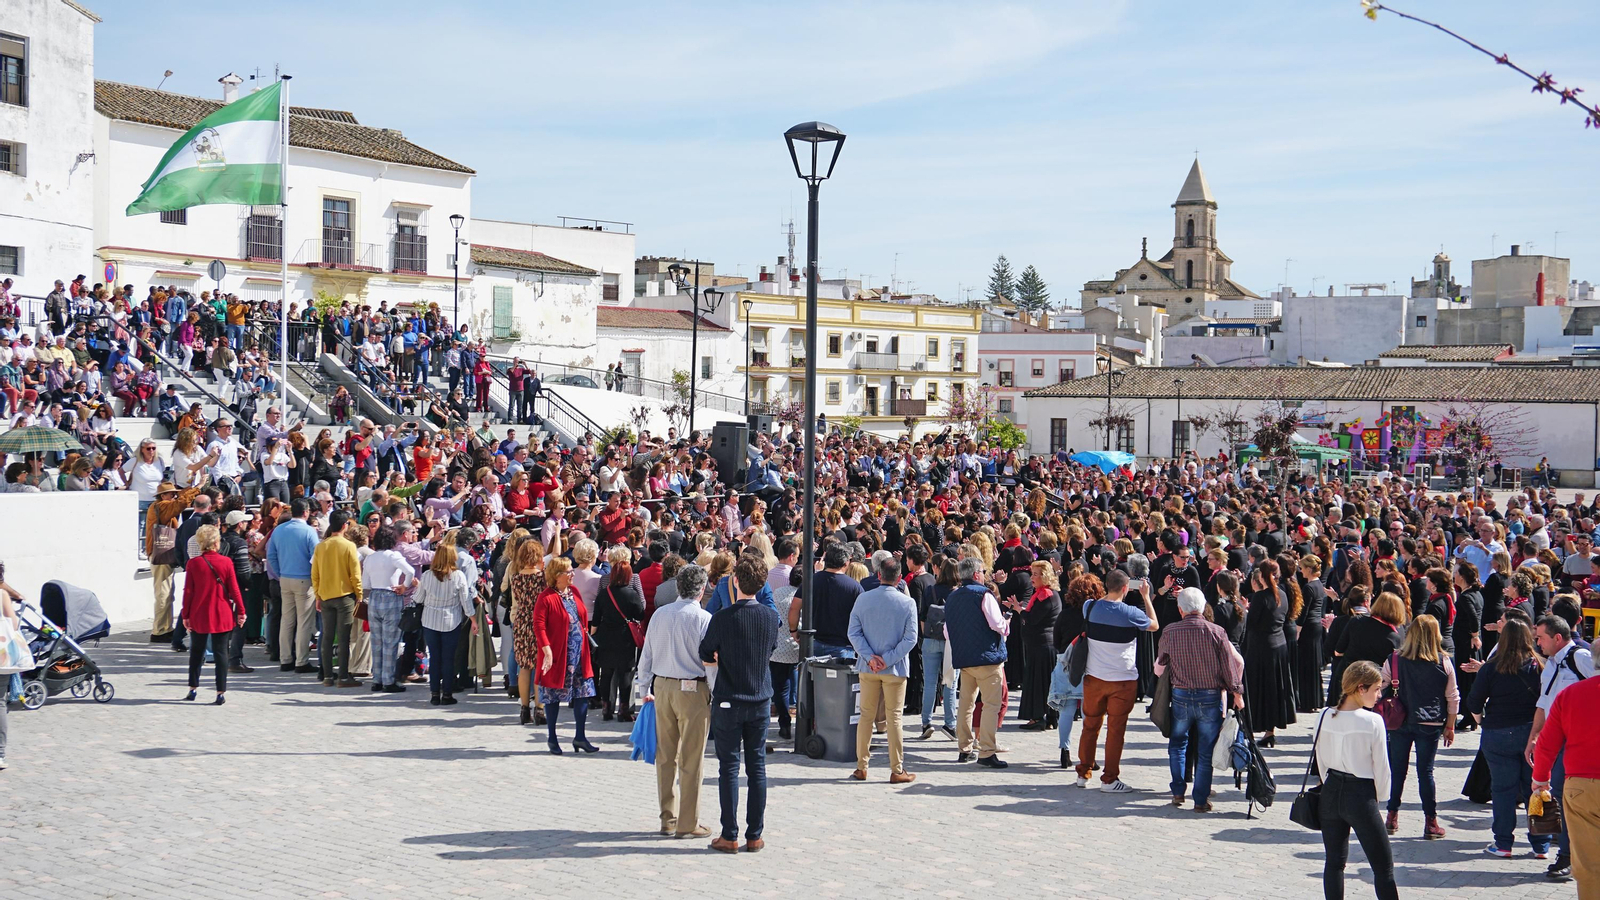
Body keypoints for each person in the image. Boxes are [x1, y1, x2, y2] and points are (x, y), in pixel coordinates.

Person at [699, 554, 781, 853]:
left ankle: (730, 833)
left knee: (729, 768)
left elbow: (706, 652)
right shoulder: (770, 617)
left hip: (729, 699)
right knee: (757, 767)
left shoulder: (722, 617)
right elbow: (769, 646)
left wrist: (719, 656)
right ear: (761, 585)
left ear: (735, 581)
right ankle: (754, 834)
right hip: (759, 697)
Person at [636, 563, 713, 839]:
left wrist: (643, 688)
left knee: (665, 757)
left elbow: (646, 654)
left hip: (662, 687)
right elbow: (710, 662)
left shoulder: (660, 615)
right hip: (692, 689)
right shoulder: (703, 618)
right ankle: (687, 822)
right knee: (692, 759)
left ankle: (668, 818)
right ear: (701, 589)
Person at [1466, 617, 1552, 860]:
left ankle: (1503, 843)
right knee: (1536, 788)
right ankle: (1541, 844)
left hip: (1498, 733)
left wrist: (1481, 721)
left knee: (1502, 790)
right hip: (1531, 733)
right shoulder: (1540, 666)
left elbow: (1473, 701)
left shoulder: (1492, 667)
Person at [1314, 660, 1399, 900]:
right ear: (1361, 689)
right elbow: (1382, 767)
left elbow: (1320, 761)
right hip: (1360, 795)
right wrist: (1380, 799)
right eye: (1376, 689)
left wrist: (1327, 784)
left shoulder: (1324, 715)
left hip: (1330, 791)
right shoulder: (1372, 721)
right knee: (1383, 867)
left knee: (1334, 863)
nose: (1379, 694)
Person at [1156, 586, 1244, 812]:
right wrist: (1237, 692)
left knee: (1177, 744)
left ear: (1180, 609)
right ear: (1203, 607)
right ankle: (1200, 799)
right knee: (1205, 750)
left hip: (1181, 694)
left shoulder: (1171, 631)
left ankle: (1177, 791)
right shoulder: (1216, 631)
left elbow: (1162, 661)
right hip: (1210, 696)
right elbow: (1229, 665)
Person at [1077, 569, 1157, 791]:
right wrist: (1145, 597)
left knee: (1090, 725)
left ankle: (1083, 773)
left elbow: (1100, 603)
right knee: (1116, 730)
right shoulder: (1130, 612)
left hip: (1093, 678)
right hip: (1122, 680)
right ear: (1125, 588)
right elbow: (1154, 624)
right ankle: (1109, 779)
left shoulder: (1089, 606)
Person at [1529, 613, 1595, 880]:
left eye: (1541, 638)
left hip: (1579, 742)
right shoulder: (1551, 664)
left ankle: (1571, 856)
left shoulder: (1580, 657)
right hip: (1556, 740)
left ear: (1557, 638)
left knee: (1571, 799)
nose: (1537, 643)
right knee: (1561, 798)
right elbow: (1544, 703)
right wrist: (1534, 736)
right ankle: (1567, 854)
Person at [1382, 614, 1458, 840]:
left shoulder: (1395, 659)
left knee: (1398, 769)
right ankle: (1430, 822)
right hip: (1430, 721)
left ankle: (1392, 815)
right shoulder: (1443, 661)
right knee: (1426, 772)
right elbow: (1452, 696)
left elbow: (1381, 685)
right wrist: (1450, 725)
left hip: (1400, 720)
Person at [846, 552, 919, 784]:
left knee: (865, 716)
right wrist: (887, 659)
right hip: (894, 669)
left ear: (878, 575)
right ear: (899, 579)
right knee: (894, 718)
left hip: (868, 668)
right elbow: (910, 639)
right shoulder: (907, 603)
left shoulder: (863, 599)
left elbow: (853, 633)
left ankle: (861, 766)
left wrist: (870, 657)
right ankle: (896, 769)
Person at [534, 556, 599, 753]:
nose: (572, 574)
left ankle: (580, 737)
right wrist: (546, 650)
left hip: (579, 653)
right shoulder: (546, 597)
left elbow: (582, 617)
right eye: (568, 571)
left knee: (583, 694)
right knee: (553, 696)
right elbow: (539, 625)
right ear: (557, 576)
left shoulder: (574, 592)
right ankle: (552, 738)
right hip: (558, 654)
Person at [180, 524, 245, 706]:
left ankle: (193, 688)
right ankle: (220, 692)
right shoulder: (226, 562)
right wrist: (241, 611)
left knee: (196, 652)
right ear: (216, 542)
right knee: (221, 653)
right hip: (221, 612)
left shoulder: (193, 563)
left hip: (199, 612)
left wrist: (186, 614)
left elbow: (188, 592)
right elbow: (234, 590)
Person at [1243, 558, 1296, 747]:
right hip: (1279, 645)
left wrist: (1246, 610)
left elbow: (1251, 625)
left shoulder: (1261, 597)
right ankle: (1269, 731)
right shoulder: (1282, 594)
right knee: (1274, 690)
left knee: (1260, 689)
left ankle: (1257, 727)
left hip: (1261, 648)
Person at [418, 537, 475, 707]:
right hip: (451, 620)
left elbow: (419, 598)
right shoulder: (458, 576)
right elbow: (466, 601)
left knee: (435, 657)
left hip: (430, 620)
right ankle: (447, 693)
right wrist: (473, 619)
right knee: (449, 658)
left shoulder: (427, 575)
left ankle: (435, 693)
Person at [310, 510, 364, 689]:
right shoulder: (349, 546)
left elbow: (315, 574)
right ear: (344, 525)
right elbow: (355, 574)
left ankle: (327, 676)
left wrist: (318, 595)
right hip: (344, 597)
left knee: (326, 636)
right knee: (343, 637)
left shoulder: (321, 546)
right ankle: (343, 676)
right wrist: (359, 594)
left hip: (325, 596)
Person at [266, 498, 320, 674]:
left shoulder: (278, 530)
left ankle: (285, 658)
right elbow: (316, 558)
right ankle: (301, 661)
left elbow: (271, 555)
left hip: (285, 578)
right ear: (306, 512)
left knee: (287, 620)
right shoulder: (309, 531)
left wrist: (280, 572)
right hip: (304, 579)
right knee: (304, 621)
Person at [363, 525, 416, 694]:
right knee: (391, 641)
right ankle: (388, 679)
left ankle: (377, 679)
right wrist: (404, 586)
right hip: (391, 595)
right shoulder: (394, 556)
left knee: (376, 641)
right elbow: (410, 571)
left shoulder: (370, 558)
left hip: (374, 597)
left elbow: (365, 584)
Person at [592, 560, 645, 723]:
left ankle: (606, 708)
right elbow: (640, 615)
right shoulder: (631, 594)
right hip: (625, 638)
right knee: (625, 674)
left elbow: (595, 619)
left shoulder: (604, 593)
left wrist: (593, 639)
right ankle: (624, 710)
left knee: (606, 674)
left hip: (605, 636)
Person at [509, 539, 546, 726]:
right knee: (540, 666)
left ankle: (524, 708)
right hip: (539, 621)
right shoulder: (542, 577)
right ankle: (539, 709)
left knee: (524, 666)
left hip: (522, 621)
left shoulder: (516, 577)